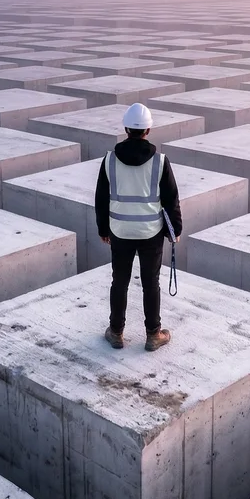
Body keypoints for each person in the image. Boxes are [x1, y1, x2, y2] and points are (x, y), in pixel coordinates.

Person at [95, 102, 182, 352]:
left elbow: (101, 198)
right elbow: (171, 199)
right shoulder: (160, 162)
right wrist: (174, 230)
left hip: (120, 231)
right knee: (150, 283)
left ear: (125, 129)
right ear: (148, 130)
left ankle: (116, 332)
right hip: (149, 232)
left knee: (119, 281)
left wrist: (103, 229)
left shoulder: (109, 160)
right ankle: (153, 334)